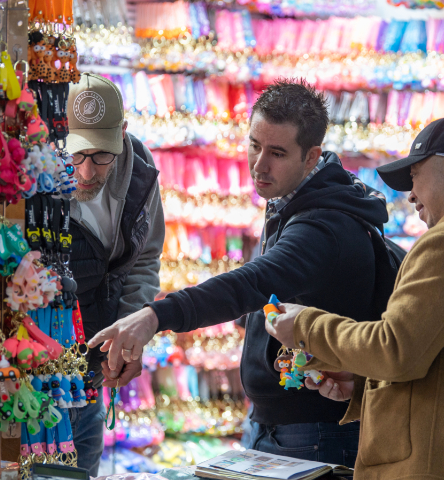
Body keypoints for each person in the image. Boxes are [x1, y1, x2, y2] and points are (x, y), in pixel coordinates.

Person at [88, 79, 391, 467]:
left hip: (312, 434)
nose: (260, 165)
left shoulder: (323, 226)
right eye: (254, 145)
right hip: (285, 426)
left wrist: (155, 315)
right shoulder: (298, 201)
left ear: (312, 157)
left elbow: (253, 282)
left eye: (277, 153)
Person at [266, 116, 444, 479]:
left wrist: (306, 325)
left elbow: (394, 349)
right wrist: (361, 385)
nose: (411, 194)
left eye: (415, 177)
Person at [66, 73, 166, 476]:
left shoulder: (139, 170)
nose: (87, 171)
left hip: (94, 364)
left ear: (122, 134)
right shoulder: (36, 175)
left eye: (102, 155)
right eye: (77, 155)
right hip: (42, 361)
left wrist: (126, 336)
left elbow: (145, 258)